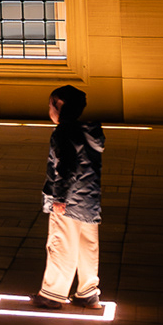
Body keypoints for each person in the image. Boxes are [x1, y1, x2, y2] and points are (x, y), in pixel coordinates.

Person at [31, 84, 104, 310]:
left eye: (50, 105)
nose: (49, 111)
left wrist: (59, 197)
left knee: (61, 244)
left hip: (68, 200)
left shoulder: (63, 132)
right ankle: (88, 292)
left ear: (58, 105)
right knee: (87, 246)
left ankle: (52, 294)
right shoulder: (90, 132)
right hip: (89, 199)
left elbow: (66, 166)